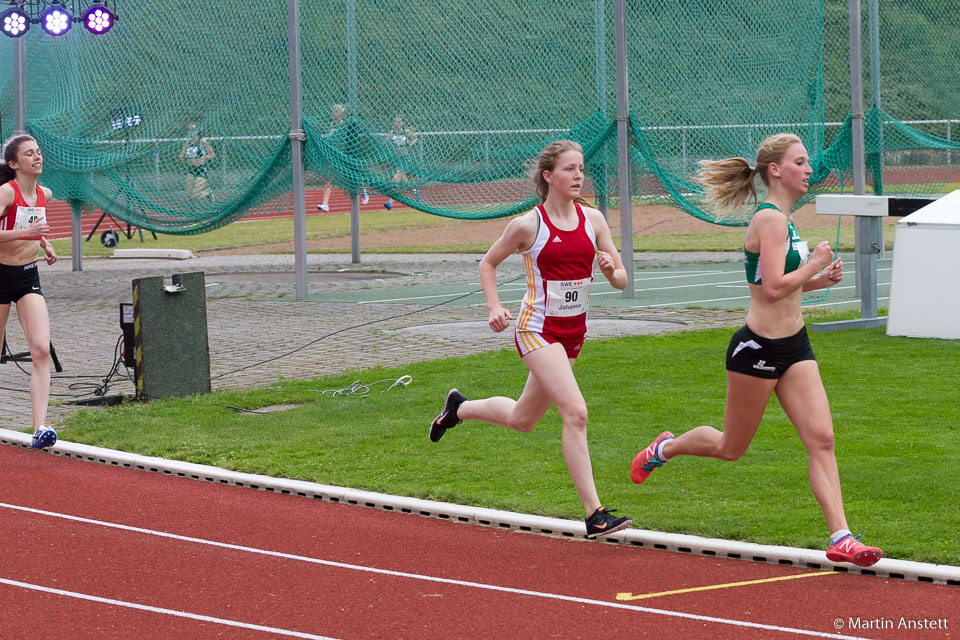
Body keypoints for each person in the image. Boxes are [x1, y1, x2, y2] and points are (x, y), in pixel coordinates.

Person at [629, 133, 882, 567]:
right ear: (775, 171)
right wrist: (815, 264)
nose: (809, 170)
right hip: (757, 348)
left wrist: (819, 279)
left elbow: (784, 285)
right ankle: (663, 449)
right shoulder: (771, 220)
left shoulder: (787, 219)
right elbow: (769, 291)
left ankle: (841, 537)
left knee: (822, 438)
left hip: (795, 345)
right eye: (801, 163)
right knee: (731, 447)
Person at [429, 139, 631, 539]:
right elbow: (488, 263)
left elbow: (622, 278)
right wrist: (493, 307)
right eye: (570, 169)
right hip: (536, 330)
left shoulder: (594, 221)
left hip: (574, 332)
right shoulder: (529, 225)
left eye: (581, 169)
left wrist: (610, 269)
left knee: (523, 419)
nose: (579, 176)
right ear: (549, 176)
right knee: (575, 412)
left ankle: (459, 408)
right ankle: (595, 514)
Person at [0, 134, 59, 450]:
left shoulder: (43, 193)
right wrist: (28, 233)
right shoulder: (5, 193)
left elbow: (37, 224)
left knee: (40, 349)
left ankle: (40, 428)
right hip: (0, 275)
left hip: (27, 275)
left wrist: (45, 246)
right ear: (14, 164)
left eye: (38, 152)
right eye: (29, 154)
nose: (38, 157)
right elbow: (26, 227)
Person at [317, 104, 369, 212]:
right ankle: (325, 203)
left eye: (336, 111)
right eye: (333, 111)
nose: (334, 113)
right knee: (328, 178)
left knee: (353, 175)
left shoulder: (345, 125)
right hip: (333, 156)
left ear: (342, 114)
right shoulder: (331, 125)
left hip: (344, 156)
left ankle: (364, 190)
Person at [382, 114, 418, 210]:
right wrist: (387, 139)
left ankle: (390, 202)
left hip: (405, 158)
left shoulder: (406, 132)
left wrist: (410, 144)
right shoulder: (392, 133)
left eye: (399, 121)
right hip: (396, 159)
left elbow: (415, 138)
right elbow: (384, 143)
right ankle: (415, 191)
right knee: (404, 180)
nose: (397, 124)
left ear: (402, 123)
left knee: (396, 179)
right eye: (395, 122)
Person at [179, 122, 215, 199]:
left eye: (192, 129)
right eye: (189, 130)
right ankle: (192, 209)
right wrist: (181, 157)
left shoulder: (202, 141)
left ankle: (208, 193)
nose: (189, 131)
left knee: (195, 195)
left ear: (197, 131)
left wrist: (205, 157)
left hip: (201, 169)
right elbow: (182, 153)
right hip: (191, 169)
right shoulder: (187, 142)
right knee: (188, 194)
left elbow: (212, 155)